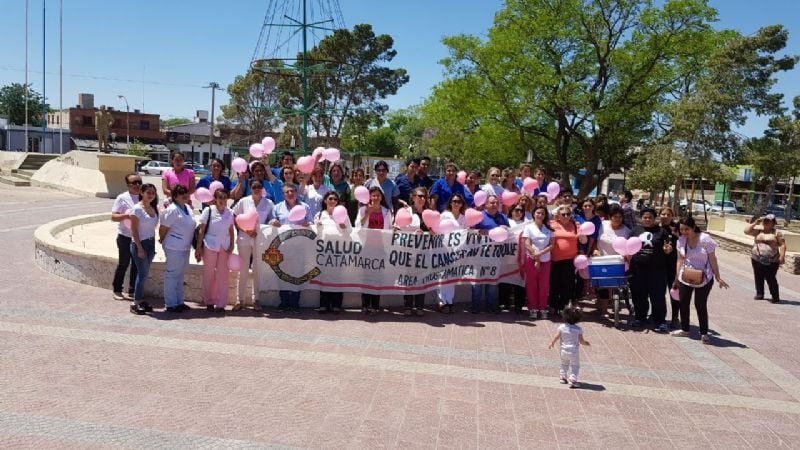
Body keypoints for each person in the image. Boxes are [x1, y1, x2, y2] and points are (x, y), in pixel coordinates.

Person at [671, 217, 729, 344]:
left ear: (693, 227)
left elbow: (712, 258)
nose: (684, 232)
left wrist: (718, 277)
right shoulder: (681, 241)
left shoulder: (705, 239)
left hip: (704, 277)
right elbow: (680, 260)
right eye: (681, 230)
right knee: (683, 303)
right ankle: (685, 329)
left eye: (687, 229)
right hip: (685, 276)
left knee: (700, 305)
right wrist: (676, 278)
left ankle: (704, 333)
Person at [232, 179, 274, 311]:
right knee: (243, 270)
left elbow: (271, 219)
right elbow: (235, 217)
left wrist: (274, 222)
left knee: (257, 270)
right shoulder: (244, 201)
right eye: (254, 186)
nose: (257, 189)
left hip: (260, 241)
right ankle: (240, 300)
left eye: (259, 186)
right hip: (244, 239)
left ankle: (257, 300)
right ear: (250, 188)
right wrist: (246, 230)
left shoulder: (268, 203)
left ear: (262, 188)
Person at [628, 208, 673, 331]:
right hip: (638, 271)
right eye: (645, 217)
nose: (647, 220)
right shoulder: (635, 231)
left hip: (657, 271)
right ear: (641, 218)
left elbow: (668, 247)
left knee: (657, 297)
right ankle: (640, 318)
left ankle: (660, 321)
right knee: (639, 296)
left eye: (650, 218)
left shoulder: (661, 232)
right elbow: (628, 247)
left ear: (654, 219)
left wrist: (667, 250)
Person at [271, 184, 312, 312]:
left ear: (296, 192)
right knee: (282, 274)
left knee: (298, 273)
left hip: (299, 246)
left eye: (292, 191)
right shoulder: (277, 207)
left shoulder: (305, 207)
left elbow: (311, 222)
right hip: (283, 247)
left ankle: (294, 302)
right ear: (283, 194)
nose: (290, 193)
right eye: (287, 192)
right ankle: (284, 301)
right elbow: (270, 222)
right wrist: (272, 222)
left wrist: (308, 224)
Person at [195, 188, 235, 313]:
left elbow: (231, 230)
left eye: (224, 197)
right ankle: (209, 301)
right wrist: (198, 247)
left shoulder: (230, 212)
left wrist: (232, 245)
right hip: (210, 245)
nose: (222, 200)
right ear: (215, 199)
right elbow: (202, 230)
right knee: (209, 274)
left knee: (223, 275)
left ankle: (221, 304)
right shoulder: (208, 211)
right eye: (220, 197)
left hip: (224, 246)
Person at [355, 186, 393, 315]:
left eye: (378, 195)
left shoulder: (387, 211)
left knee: (377, 278)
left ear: (381, 197)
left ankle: (375, 305)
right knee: (366, 277)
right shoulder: (362, 209)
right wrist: (368, 213)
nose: (375, 198)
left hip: (380, 248)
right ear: (369, 197)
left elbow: (389, 229)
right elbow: (357, 227)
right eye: (373, 195)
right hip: (366, 248)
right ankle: (365, 305)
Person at [159, 185, 196, 313]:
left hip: (185, 247)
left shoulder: (187, 208)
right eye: (180, 193)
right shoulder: (172, 210)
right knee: (172, 275)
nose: (184, 195)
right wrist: (163, 241)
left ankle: (179, 302)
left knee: (180, 275)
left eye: (185, 192)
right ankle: (170, 303)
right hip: (174, 247)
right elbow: (163, 228)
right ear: (174, 196)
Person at [470, 194, 509, 313]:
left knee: (492, 283)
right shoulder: (478, 216)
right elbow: (469, 232)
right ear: (485, 204)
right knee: (477, 283)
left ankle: (491, 307)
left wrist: (506, 230)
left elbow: (510, 235)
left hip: (495, 256)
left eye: (497, 203)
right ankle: (476, 307)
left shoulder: (503, 218)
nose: (495, 205)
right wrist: (480, 231)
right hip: (479, 255)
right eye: (492, 203)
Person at [315, 191, 350, 314]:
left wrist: (344, 228)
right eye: (330, 198)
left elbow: (350, 233)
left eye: (335, 199)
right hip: (324, 252)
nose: (333, 201)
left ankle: (336, 304)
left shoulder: (343, 214)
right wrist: (316, 226)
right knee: (324, 277)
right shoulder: (320, 215)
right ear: (325, 201)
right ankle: (323, 304)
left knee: (337, 278)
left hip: (338, 253)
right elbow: (314, 233)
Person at [397, 187, 430, 316]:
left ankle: (420, 306)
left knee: (421, 279)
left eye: (424, 196)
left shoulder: (429, 213)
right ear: (413, 197)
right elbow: (398, 229)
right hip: (408, 252)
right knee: (409, 280)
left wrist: (426, 233)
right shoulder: (406, 212)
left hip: (424, 252)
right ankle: (408, 306)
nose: (421, 199)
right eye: (419, 196)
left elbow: (436, 232)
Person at [549, 205, 587, 314]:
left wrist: (582, 235)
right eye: (563, 214)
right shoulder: (551, 224)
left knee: (567, 285)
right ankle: (553, 305)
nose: (566, 216)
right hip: (554, 259)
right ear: (558, 216)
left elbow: (583, 241)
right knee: (554, 283)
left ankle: (563, 307)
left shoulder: (575, 225)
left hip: (570, 260)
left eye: (568, 214)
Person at [594, 204, 631, 317]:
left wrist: (627, 255)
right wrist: (595, 249)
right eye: (615, 216)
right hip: (600, 259)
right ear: (610, 217)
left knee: (613, 285)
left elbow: (629, 246)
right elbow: (595, 238)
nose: (617, 219)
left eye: (620, 217)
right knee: (601, 286)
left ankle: (607, 308)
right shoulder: (602, 225)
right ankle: (601, 309)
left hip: (617, 262)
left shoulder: (626, 231)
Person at [128, 183, 159, 315]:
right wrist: (139, 248)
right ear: (142, 193)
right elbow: (134, 230)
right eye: (148, 192)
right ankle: (135, 302)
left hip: (150, 244)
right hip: (139, 244)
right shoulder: (137, 209)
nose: (151, 195)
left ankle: (140, 300)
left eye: (153, 193)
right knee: (142, 274)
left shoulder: (153, 208)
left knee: (144, 274)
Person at [111, 173, 141, 301]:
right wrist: (127, 216)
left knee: (136, 264)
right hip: (125, 236)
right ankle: (117, 289)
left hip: (139, 237)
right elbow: (113, 217)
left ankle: (132, 290)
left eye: (139, 182)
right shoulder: (122, 198)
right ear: (128, 185)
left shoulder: (144, 196)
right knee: (124, 263)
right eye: (134, 183)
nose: (137, 185)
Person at [745, 214, 785, 303]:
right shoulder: (758, 231)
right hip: (757, 258)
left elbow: (782, 245)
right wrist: (756, 222)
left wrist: (782, 256)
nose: (766, 222)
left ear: (773, 223)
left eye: (769, 221)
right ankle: (760, 294)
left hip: (772, 260)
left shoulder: (777, 233)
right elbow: (746, 231)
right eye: (765, 220)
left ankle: (775, 296)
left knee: (770, 277)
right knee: (758, 276)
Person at [523, 206, 554, 319]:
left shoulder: (549, 229)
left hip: (545, 260)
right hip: (531, 259)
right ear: (534, 214)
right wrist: (535, 256)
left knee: (544, 285)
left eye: (542, 213)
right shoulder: (528, 227)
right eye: (538, 213)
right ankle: (533, 308)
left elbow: (552, 245)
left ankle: (542, 307)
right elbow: (527, 243)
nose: (540, 215)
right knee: (531, 284)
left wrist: (539, 255)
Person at [438, 193, 467, 313]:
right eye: (454, 201)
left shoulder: (464, 218)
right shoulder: (445, 215)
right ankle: (441, 302)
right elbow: (438, 229)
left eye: (459, 202)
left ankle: (449, 301)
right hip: (444, 249)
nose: (456, 204)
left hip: (457, 252)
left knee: (452, 277)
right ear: (450, 202)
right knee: (442, 276)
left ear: (462, 204)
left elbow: (466, 233)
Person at [548, 307, 590, 388]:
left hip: (563, 350)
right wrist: (586, 343)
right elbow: (581, 341)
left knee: (564, 363)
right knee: (575, 365)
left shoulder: (561, 327)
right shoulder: (578, 329)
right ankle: (573, 380)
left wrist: (552, 343)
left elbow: (557, 336)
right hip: (574, 351)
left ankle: (563, 377)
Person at [659, 207, 680, 327]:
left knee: (674, 291)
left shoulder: (677, 229)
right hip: (659, 265)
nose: (665, 216)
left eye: (668, 214)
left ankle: (675, 317)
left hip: (673, 266)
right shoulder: (656, 228)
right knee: (658, 292)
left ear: (672, 216)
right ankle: (659, 314)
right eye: (663, 214)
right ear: (659, 215)